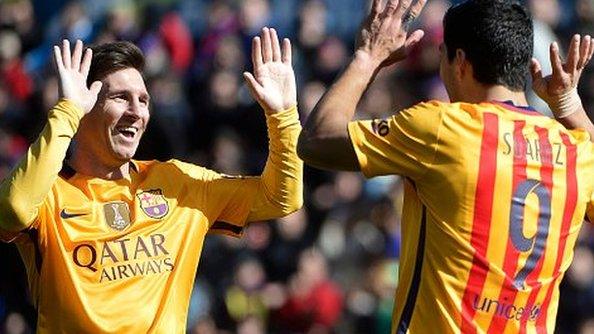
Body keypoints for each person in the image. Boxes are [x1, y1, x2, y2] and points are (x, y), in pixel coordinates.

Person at [297, 0, 594, 332]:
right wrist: (571, 108)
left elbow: (317, 140)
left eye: (442, 54)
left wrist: (367, 58)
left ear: (460, 62)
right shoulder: (576, 151)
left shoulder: (443, 130)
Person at [0, 27, 302, 332]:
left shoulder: (180, 183)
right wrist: (67, 112)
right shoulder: (50, 192)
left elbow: (281, 197)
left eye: (143, 101)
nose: (137, 112)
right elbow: (12, 211)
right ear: (85, 106)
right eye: (121, 97)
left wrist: (283, 116)